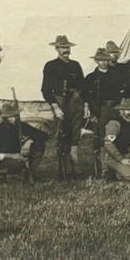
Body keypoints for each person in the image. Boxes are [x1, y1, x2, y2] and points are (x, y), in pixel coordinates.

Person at [40, 35, 86, 178]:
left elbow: (82, 86)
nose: (65, 50)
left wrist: (84, 104)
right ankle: (62, 170)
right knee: (62, 135)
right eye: (62, 47)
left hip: (76, 103)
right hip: (61, 103)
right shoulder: (51, 66)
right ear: (56, 49)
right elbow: (45, 89)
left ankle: (75, 168)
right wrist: (56, 107)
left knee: (75, 133)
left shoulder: (75, 65)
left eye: (67, 47)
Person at [0, 107, 48, 182]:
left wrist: (29, 141)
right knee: (19, 163)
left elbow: (43, 136)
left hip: (20, 156)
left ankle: (30, 173)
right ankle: (0, 172)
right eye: (9, 117)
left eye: (14, 116)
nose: (13, 118)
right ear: (4, 118)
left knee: (39, 145)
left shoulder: (21, 126)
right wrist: (11, 156)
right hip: (2, 161)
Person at [81, 46, 125, 129]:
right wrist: (87, 108)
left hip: (115, 108)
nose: (103, 62)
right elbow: (86, 95)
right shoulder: (91, 77)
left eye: (105, 59)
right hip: (98, 109)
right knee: (99, 132)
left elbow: (123, 91)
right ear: (96, 61)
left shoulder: (116, 75)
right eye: (101, 60)